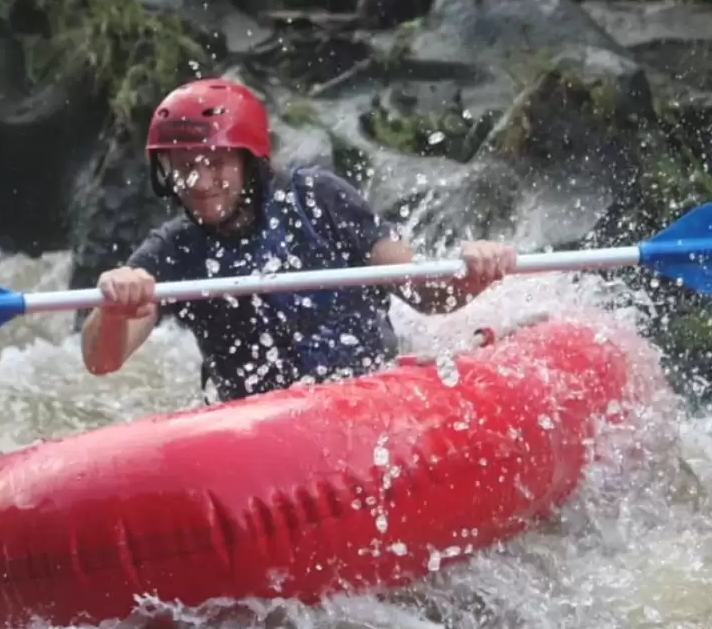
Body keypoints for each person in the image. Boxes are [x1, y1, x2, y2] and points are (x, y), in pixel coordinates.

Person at [80, 77, 518, 402]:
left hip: (368, 397)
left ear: (249, 161)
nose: (200, 181)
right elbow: (102, 361)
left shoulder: (318, 199)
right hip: (258, 425)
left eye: (215, 162)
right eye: (184, 166)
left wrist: (473, 272)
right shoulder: (175, 249)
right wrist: (114, 310)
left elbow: (424, 291)